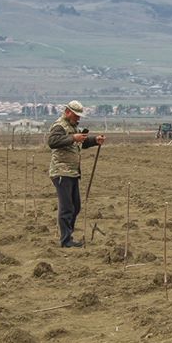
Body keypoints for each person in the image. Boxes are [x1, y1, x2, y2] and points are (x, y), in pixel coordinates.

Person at [47, 100, 105, 248]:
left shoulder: (73, 127)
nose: (78, 118)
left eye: (79, 116)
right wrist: (73, 138)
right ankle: (66, 240)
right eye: (76, 115)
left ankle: (68, 235)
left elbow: (81, 143)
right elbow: (52, 141)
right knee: (67, 207)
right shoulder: (59, 126)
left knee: (75, 206)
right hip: (61, 172)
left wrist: (94, 140)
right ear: (67, 112)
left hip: (72, 172)